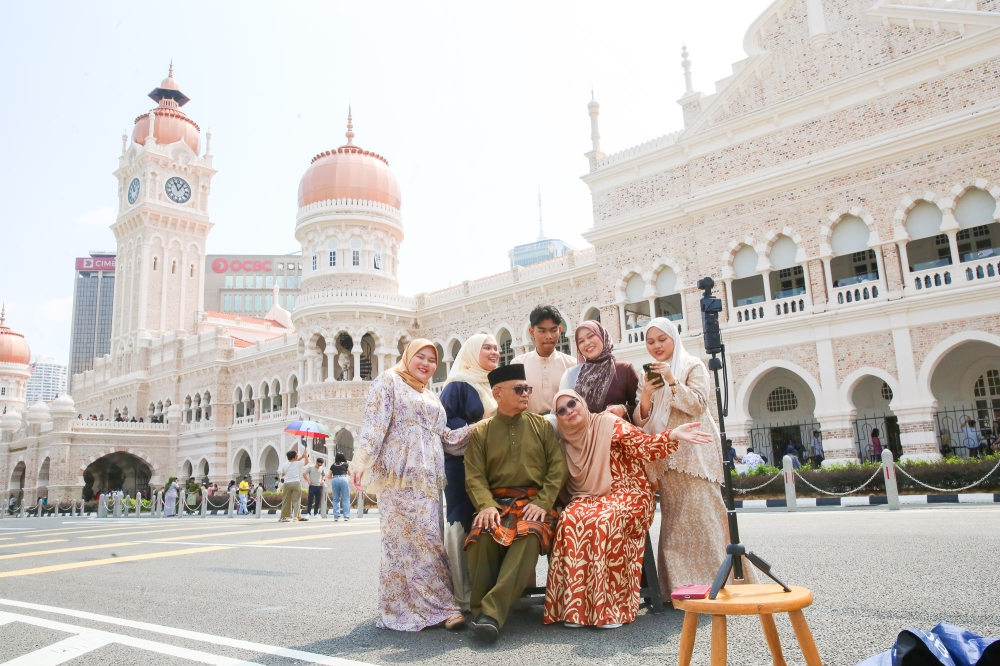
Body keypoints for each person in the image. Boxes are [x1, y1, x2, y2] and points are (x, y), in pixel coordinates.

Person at [544, 389, 712, 628]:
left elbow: (643, 445)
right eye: (561, 410)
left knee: (605, 519)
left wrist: (672, 435)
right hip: (590, 497)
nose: (569, 411)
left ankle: (611, 609)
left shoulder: (608, 424)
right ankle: (576, 610)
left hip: (630, 492)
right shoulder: (564, 444)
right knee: (571, 518)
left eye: (572, 403)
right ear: (558, 418)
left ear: (582, 403)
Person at [348, 339, 472, 632]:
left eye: (432, 360)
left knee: (429, 539)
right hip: (398, 478)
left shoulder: (431, 397)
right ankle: (441, 608)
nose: (427, 364)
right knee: (404, 545)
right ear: (407, 356)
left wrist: (483, 429)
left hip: (427, 483)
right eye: (421, 356)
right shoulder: (389, 381)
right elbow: (374, 425)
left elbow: (446, 439)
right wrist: (360, 462)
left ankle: (414, 608)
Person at [632, 317, 749, 597]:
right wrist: (647, 392)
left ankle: (719, 586)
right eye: (651, 341)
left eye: (662, 339)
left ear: (674, 338)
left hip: (695, 455)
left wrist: (672, 382)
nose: (657, 346)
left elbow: (698, 405)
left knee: (705, 518)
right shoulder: (645, 374)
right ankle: (680, 589)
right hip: (666, 457)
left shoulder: (692, 365)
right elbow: (641, 418)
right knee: (675, 526)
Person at [463, 364, 568, 644]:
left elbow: (558, 468)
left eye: (527, 388)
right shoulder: (481, 432)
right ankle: (480, 611)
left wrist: (544, 503)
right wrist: (485, 506)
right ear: (497, 394)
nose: (525, 394)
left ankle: (490, 615)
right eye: (519, 389)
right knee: (482, 533)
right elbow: (474, 476)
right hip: (496, 503)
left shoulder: (541, 426)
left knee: (530, 533)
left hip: (534, 502)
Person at [439, 333, 500, 612]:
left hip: (487, 464)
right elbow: (446, 433)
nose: (494, 351)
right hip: (460, 465)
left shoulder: (489, 385)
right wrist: (487, 427)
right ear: (472, 352)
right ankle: (461, 594)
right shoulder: (457, 385)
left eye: (497, 347)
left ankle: (483, 587)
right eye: (486, 347)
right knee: (459, 520)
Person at [560, 321, 639, 421]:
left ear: (602, 335)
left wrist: (623, 409)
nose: (587, 343)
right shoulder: (574, 375)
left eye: (591, 336)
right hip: (586, 435)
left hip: (617, 433)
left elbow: (641, 410)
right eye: (581, 341)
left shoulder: (624, 369)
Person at [511, 305, 577, 415]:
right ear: (532, 332)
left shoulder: (572, 364)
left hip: (564, 429)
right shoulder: (518, 365)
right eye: (542, 331)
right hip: (530, 428)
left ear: (559, 330)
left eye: (553, 330)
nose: (549, 336)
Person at [278, 449, 308, 522]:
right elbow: (307, 462)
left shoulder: (284, 464)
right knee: (297, 500)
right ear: (294, 457)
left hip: (287, 483)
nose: (297, 456)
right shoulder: (298, 463)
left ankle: (283, 517)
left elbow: (282, 474)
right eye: (296, 455)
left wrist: (301, 456)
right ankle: (296, 517)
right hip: (296, 483)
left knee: (286, 500)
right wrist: (305, 456)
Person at [329, 453, 350, 521]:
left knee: (335, 499)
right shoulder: (345, 464)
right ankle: (346, 516)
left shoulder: (333, 465)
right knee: (346, 498)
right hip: (343, 479)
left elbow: (329, 476)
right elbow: (350, 473)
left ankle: (336, 516)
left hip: (335, 479)